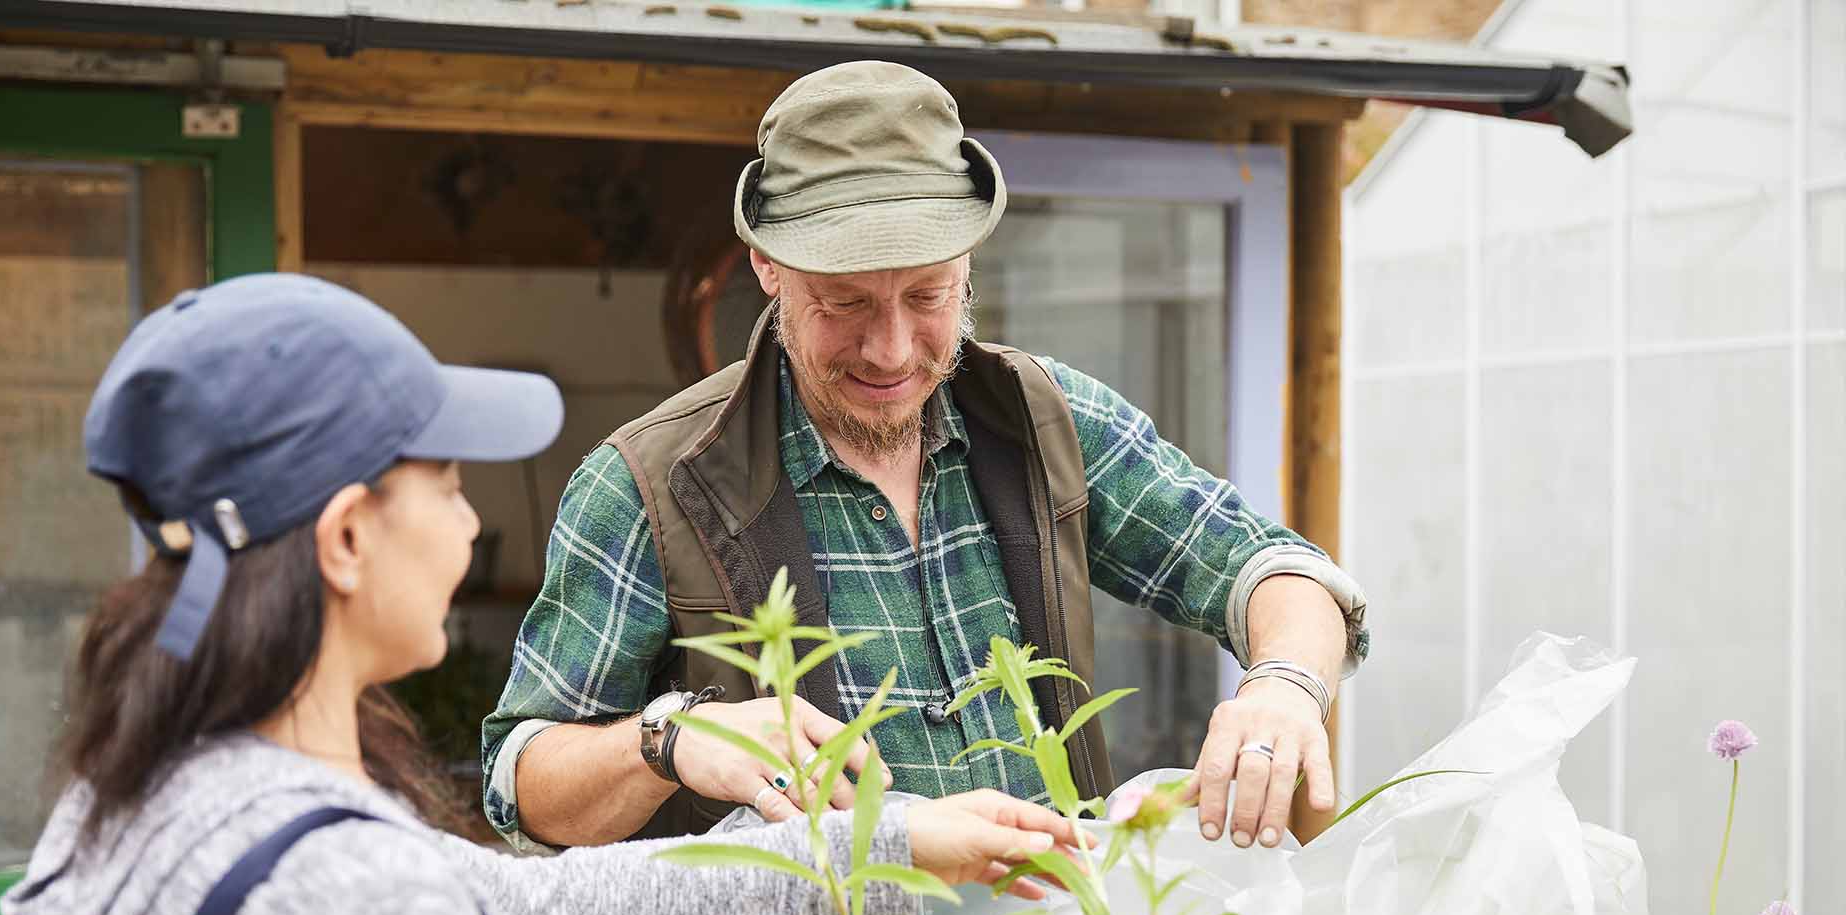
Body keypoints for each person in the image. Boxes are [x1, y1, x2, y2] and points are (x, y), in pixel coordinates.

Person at [0, 274, 1080, 915]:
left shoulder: (178, 794)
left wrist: (888, 844)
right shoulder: (341, 902)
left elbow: (533, 909)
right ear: (343, 541)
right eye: (449, 484)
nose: (472, 524)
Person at [485, 60, 1368, 860]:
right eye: (844, 303)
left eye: (928, 295)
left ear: (970, 264)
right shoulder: (648, 484)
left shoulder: (1041, 418)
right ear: (765, 265)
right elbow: (523, 783)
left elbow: (1278, 570)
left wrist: (1285, 689)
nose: (893, 349)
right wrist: (670, 739)